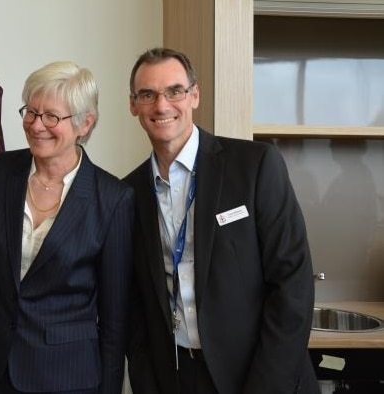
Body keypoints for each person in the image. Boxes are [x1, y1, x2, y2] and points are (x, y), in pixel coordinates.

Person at [123, 47, 319, 394]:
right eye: (148, 94)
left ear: (194, 95)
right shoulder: (128, 193)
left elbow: (292, 284)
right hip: (178, 378)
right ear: (133, 104)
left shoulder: (255, 166)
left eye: (175, 91)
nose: (162, 105)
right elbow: (136, 306)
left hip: (259, 376)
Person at [0, 61, 135, 393]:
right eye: (31, 111)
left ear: (85, 123)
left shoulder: (113, 198)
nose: (36, 125)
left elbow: (114, 317)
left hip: (66, 375)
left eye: (51, 116)